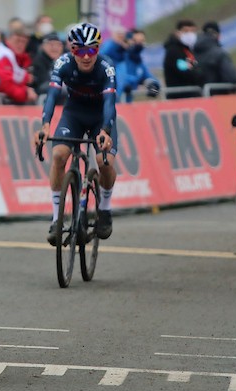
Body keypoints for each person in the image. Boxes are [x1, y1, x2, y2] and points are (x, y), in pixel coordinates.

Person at [35, 22, 118, 244]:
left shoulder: (106, 67)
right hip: (74, 114)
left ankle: (106, 209)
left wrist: (106, 131)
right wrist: (45, 125)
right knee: (59, 155)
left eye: (92, 50)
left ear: (98, 49)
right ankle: (56, 219)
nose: (86, 56)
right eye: (80, 50)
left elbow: (110, 102)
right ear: (72, 50)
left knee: (103, 161)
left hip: (101, 115)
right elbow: (51, 96)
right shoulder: (61, 63)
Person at [115, 29, 160, 103]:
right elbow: (120, 83)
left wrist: (153, 85)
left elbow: (148, 76)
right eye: (135, 40)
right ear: (128, 41)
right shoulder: (119, 59)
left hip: (127, 106)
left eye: (142, 41)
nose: (139, 44)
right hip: (115, 106)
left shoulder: (138, 62)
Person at [0, 27, 37, 104]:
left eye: (23, 42)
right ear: (8, 40)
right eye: (17, 41)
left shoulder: (23, 58)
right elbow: (5, 84)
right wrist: (26, 92)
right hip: (0, 102)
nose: (20, 44)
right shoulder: (3, 56)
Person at [163, 19, 203, 99]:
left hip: (193, 96)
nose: (189, 34)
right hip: (179, 98)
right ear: (177, 33)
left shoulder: (190, 50)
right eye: (186, 31)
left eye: (192, 31)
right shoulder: (173, 51)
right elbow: (185, 72)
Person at [193, 21, 236, 94]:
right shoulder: (219, 53)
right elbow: (232, 78)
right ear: (217, 35)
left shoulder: (192, 53)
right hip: (220, 98)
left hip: (198, 100)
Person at [32, 32, 64, 96]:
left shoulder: (65, 60)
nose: (55, 48)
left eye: (58, 45)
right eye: (51, 45)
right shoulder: (38, 61)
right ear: (43, 46)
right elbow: (41, 85)